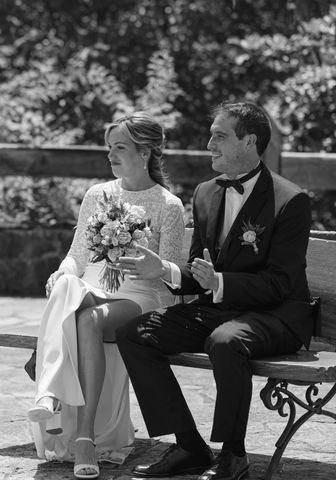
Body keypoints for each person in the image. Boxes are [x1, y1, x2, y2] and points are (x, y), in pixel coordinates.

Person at [114, 102, 314, 480]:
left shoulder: (291, 201)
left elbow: (282, 283)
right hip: (220, 310)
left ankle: (233, 456)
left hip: (277, 315)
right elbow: (197, 268)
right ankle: (189, 446)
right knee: (136, 333)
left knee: (225, 341)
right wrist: (167, 270)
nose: (209, 144)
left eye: (220, 136)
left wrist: (219, 283)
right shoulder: (206, 193)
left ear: (250, 140)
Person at [27, 112, 185, 479]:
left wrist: (153, 267)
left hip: (141, 294)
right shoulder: (97, 194)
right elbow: (77, 254)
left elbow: (175, 275)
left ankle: (50, 391)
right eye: (108, 148)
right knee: (67, 287)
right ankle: (81, 435)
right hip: (93, 286)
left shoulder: (169, 205)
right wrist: (63, 270)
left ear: (145, 152)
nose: (110, 155)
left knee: (85, 316)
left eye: (120, 148)